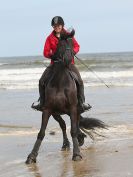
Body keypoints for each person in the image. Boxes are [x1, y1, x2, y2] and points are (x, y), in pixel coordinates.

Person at [32, 16, 91, 112]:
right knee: (41, 81)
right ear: (53, 27)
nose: (57, 27)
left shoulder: (68, 35)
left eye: (58, 25)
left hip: (69, 64)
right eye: (54, 26)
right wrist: (52, 56)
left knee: (79, 81)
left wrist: (72, 52)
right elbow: (45, 52)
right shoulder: (49, 38)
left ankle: (82, 103)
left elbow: (76, 46)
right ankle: (41, 103)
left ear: (62, 25)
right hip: (54, 64)